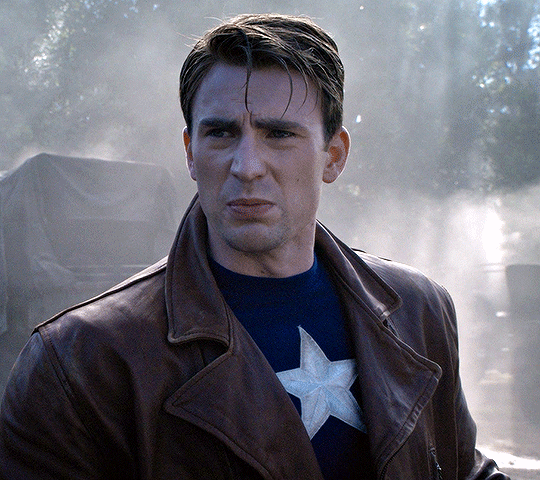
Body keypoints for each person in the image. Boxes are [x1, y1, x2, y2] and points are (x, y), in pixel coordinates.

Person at [0, 13, 509, 480]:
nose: (246, 166)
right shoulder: (82, 361)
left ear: (333, 155)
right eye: (221, 133)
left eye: (279, 134)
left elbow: (463, 470)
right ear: (191, 153)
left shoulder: (418, 310)